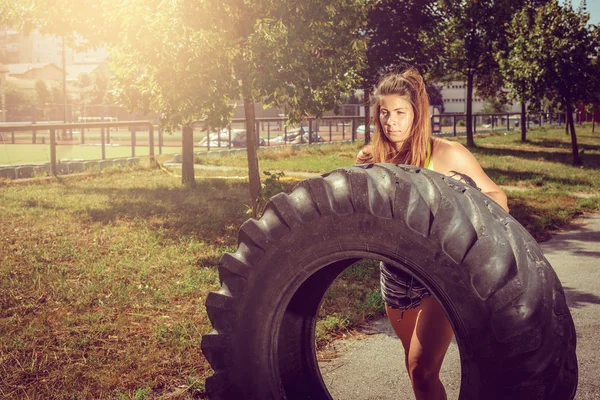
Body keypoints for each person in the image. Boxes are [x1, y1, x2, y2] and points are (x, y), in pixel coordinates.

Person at [356, 68, 509, 400]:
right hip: (395, 277)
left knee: (421, 367)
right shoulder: (372, 158)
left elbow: (499, 200)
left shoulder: (446, 153)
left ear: (416, 114)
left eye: (400, 113)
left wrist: (465, 194)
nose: (391, 121)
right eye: (385, 113)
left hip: (440, 277)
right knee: (416, 373)